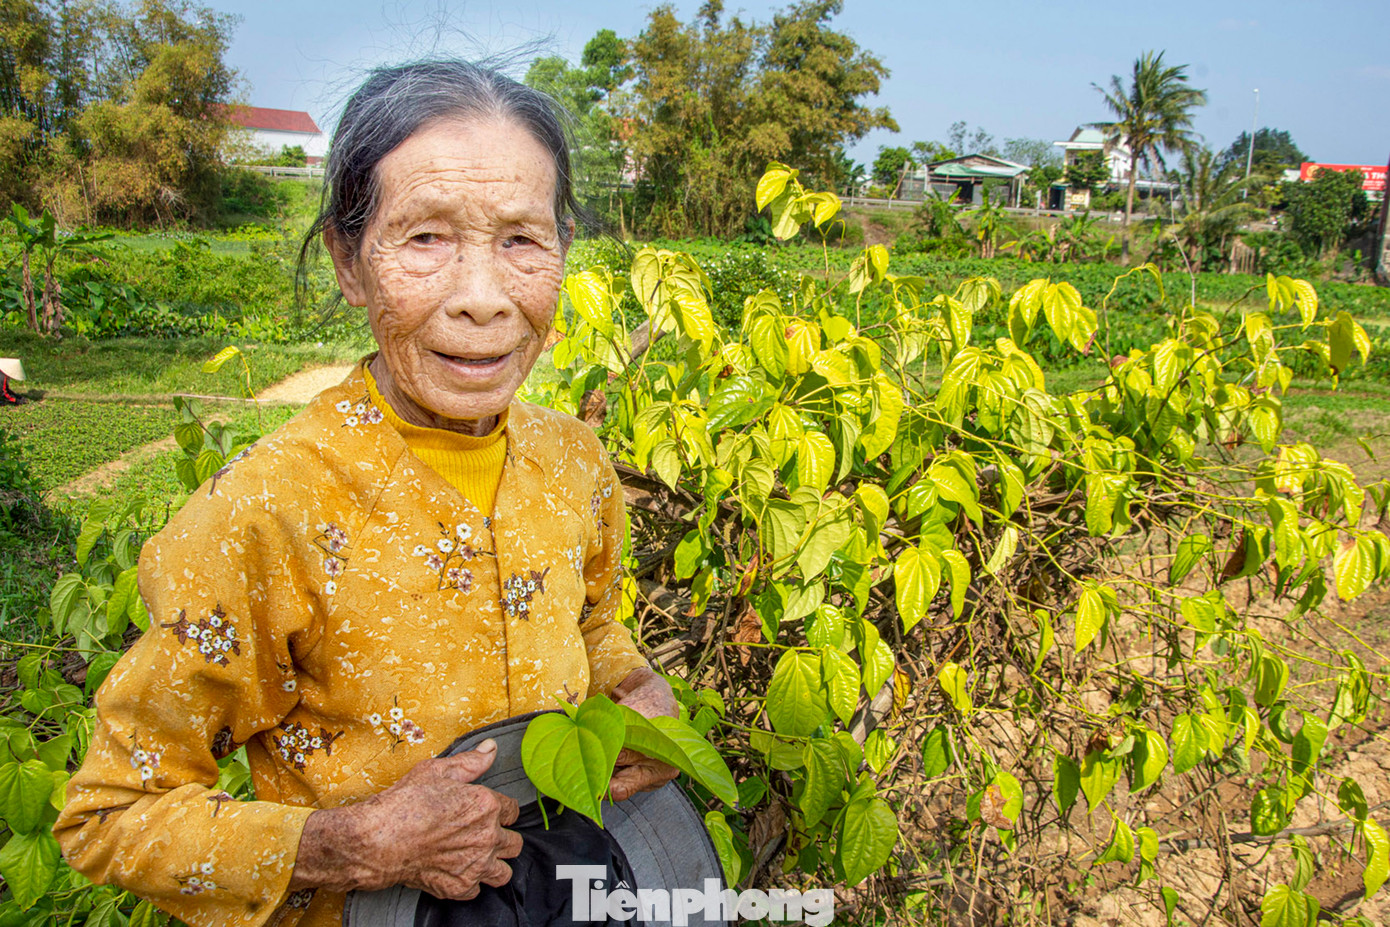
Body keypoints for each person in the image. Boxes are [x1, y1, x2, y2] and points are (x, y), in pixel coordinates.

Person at [53, 60, 679, 927]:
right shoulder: (266, 512)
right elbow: (110, 817)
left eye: (521, 241)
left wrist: (637, 686)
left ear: (563, 250)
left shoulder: (573, 460)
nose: (483, 300)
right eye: (425, 238)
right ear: (349, 262)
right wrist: (348, 845)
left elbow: (592, 624)